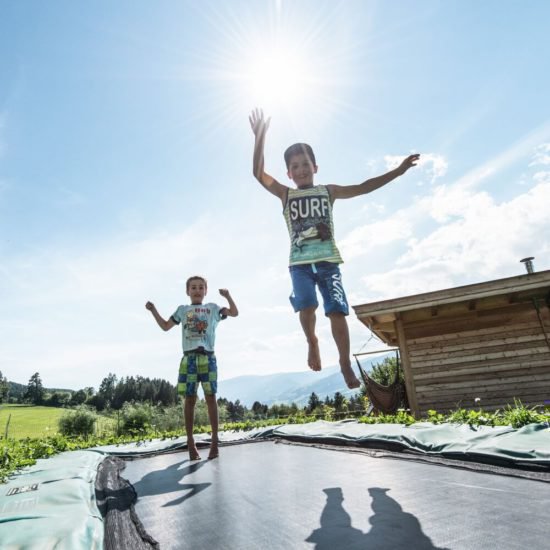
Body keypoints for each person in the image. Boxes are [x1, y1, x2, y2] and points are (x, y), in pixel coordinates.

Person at [249, 108, 419, 389]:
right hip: (300, 264)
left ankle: (344, 363)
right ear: (289, 173)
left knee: (337, 311)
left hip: (329, 263)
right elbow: (258, 173)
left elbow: (364, 187)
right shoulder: (286, 194)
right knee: (307, 306)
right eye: (295, 166)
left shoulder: (329, 191)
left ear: (315, 167)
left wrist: (399, 171)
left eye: (306, 164)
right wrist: (260, 137)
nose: (301, 169)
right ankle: (312, 341)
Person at [145, 276, 238, 460]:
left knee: (211, 397)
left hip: (208, 357)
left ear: (206, 291)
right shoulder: (183, 310)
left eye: (201, 287)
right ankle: (190, 442)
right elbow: (165, 326)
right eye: (193, 287)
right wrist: (153, 310)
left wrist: (227, 296)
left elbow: (234, 312)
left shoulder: (212, 309)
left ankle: (214, 442)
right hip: (189, 359)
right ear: (187, 291)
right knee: (190, 400)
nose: (197, 290)